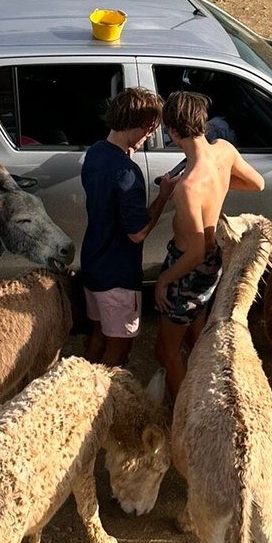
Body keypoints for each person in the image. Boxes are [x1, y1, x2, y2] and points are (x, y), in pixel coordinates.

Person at [154, 91, 264, 403]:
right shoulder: (225, 151)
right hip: (212, 264)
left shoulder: (188, 187)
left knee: (164, 350)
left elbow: (194, 253)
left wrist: (163, 280)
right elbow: (258, 184)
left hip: (187, 269)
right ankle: (200, 389)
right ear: (203, 122)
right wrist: (224, 184)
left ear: (174, 132)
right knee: (195, 335)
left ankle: (183, 412)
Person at [81, 87, 176, 367]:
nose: (149, 136)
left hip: (94, 265)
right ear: (137, 124)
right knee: (119, 347)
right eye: (149, 129)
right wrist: (163, 196)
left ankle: (80, 388)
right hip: (118, 275)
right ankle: (104, 402)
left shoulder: (97, 152)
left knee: (98, 336)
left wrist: (129, 154)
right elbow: (137, 233)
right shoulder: (127, 173)